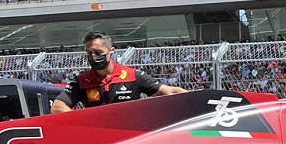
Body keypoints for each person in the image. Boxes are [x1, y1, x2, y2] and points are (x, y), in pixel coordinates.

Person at [51, 31, 185, 112]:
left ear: (111, 52)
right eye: (89, 53)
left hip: (128, 138)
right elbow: (57, 107)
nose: (93, 56)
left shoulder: (132, 75)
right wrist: (82, 123)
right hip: (98, 139)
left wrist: (202, 99)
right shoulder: (81, 81)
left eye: (98, 52)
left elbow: (170, 92)